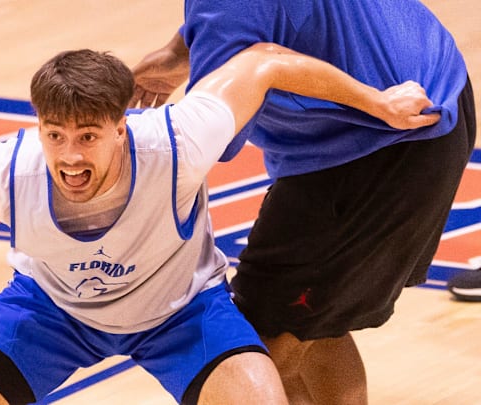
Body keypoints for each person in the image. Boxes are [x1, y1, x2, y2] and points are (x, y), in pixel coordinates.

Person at [0, 44, 437, 404]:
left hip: (182, 312)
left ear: (121, 126)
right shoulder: (10, 171)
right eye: (55, 135)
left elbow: (266, 62)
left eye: (87, 137)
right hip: (51, 311)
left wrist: (374, 101)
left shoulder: (178, 143)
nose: (70, 156)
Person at [130, 1, 477, 403]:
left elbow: (213, 132)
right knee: (314, 324)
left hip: (381, 143)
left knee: (249, 356)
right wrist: (182, 51)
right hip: (428, 90)